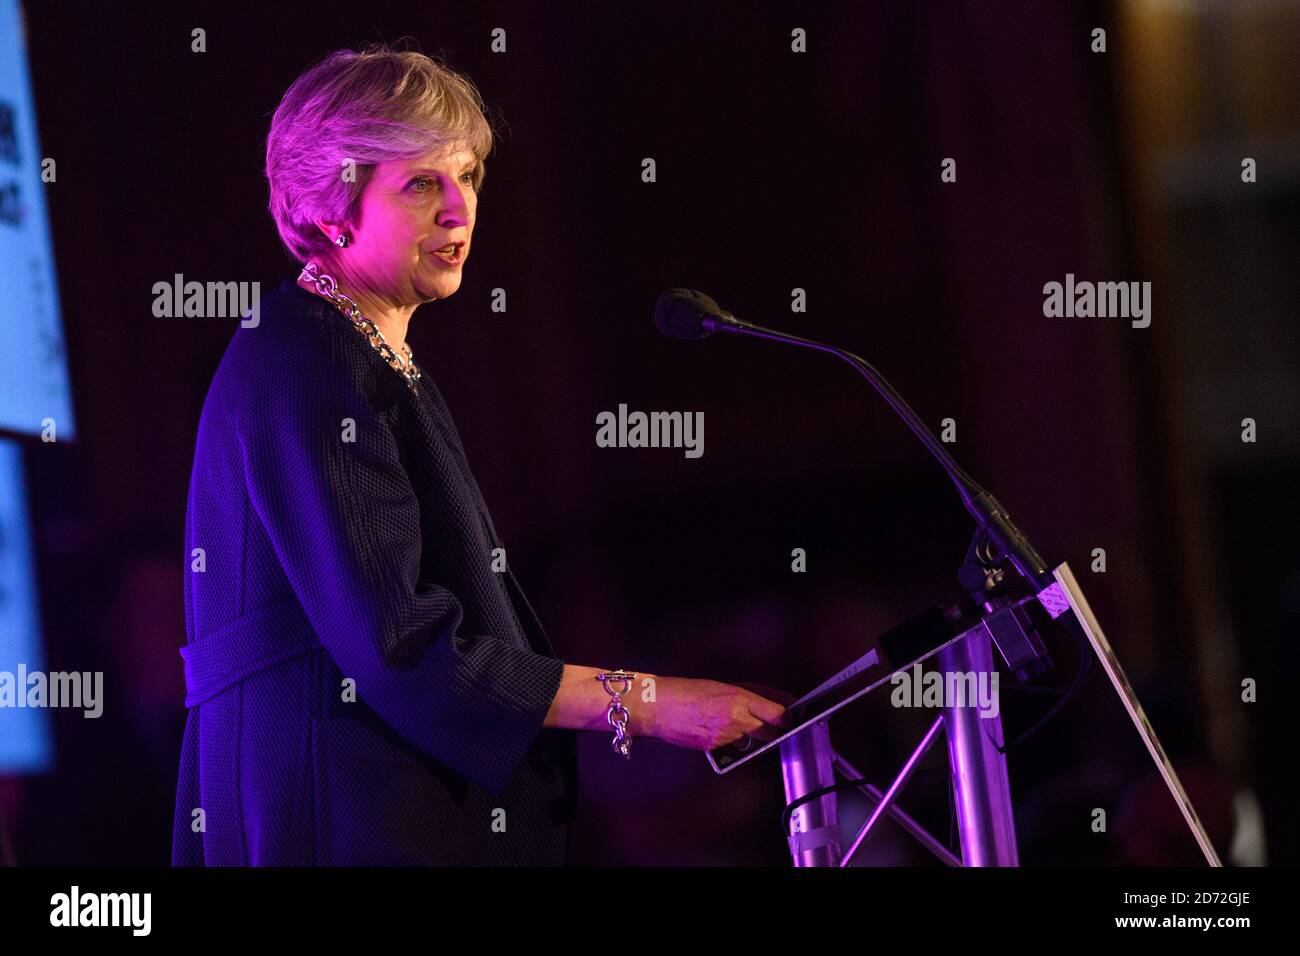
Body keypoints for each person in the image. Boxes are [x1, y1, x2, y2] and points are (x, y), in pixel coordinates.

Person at [170, 45, 788, 866]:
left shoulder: (362, 352)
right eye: (421, 183)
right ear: (331, 206)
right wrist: (647, 702)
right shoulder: (312, 363)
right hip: (336, 809)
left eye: (468, 176)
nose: (460, 210)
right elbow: (403, 647)